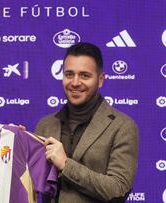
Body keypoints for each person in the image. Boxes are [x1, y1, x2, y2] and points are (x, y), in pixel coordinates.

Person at [35, 42, 138, 203]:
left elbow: (118, 189)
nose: (75, 82)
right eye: (69, 74)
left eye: (84, 75)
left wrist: (66, 165)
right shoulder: (45, 124)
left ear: (101, 79)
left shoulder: (122, 127)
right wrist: (21, 144)